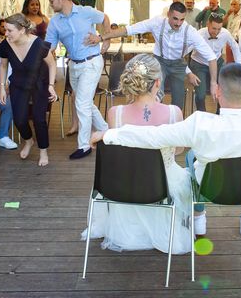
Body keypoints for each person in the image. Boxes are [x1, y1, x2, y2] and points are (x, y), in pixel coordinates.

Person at [90, 63, 241, 238]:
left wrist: (109, 135)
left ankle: (198, 216)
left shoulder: (200, 124)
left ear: (217, 92)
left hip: (208, 191)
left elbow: (153, 136)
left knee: (192, 155)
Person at [81, 54, 191, 253]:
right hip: (162, 186)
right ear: (157, 82)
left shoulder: (116, 113)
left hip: (126, 186)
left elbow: (121, 149)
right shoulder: (174, 112)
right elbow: (179, 150)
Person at [92, 2, 217, 111]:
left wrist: (213, 83)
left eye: (182, 20)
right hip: (159, 62)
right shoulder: (157, 22)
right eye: (175, 19)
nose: (178, 23)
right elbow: (128, 30)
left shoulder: (190, 32)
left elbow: (211, 57)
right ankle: (155, 124)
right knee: (156, 95)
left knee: (179, 101)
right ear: (168, 14)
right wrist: (102, 38)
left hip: (178, 65)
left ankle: (174, 128)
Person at [46, 0, 110, 160]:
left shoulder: (86, 11)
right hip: (73, 65)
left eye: (52, 0)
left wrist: (104, 38)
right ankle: (105, 129)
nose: (50, 4)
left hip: (92, 62)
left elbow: (105, 18)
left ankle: (84, 145)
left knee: (81, 102)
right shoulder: (54, 22)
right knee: (85, 102)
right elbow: (49, 47)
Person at [0, 14, 57, 167]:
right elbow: (3, 66)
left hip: (39, 83)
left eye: (9, 30)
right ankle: (29, 141)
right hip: (18, 83)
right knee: (19, 119)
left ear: (22, 30)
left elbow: (52, 64)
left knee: (39, 118)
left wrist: (51, 85)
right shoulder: (6, 44)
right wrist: (2, 87)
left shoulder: (39, 45)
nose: (6, 34)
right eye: (5, 30)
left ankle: (43, 150)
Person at [189, 13, 240, 112]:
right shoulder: (199, 34)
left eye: (219, 29)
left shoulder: (225, 33)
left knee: (224, 90)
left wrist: (238, 65)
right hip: (199, 63)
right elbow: (186, 50)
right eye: (214, 28)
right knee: (200, 94)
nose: (216, 32)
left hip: (218, 62)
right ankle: (202, 116)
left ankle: (220, 115)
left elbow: (235, 47)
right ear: (208, 24)